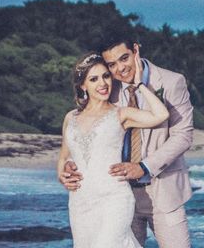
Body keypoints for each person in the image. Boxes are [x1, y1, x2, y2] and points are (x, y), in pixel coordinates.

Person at [61, 40, 194, 248]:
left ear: (135, 50)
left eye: (124, 58)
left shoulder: (171, 81)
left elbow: (183, 136)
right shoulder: (109, 87)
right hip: (118, 192)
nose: (120, 69)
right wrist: (69, 166)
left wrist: (143, 167)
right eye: (111, 65)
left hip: (162, 189)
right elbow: (91, 135)